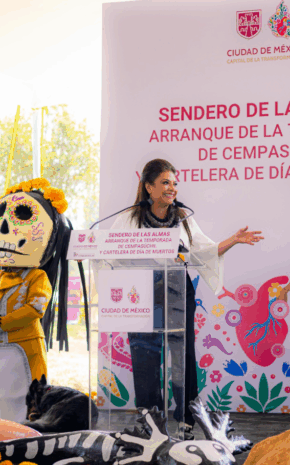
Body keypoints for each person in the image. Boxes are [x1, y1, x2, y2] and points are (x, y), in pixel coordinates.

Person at [109, 158, 263, 438]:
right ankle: (150, 420)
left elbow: (203, 251)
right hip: (141, 293)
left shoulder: (182, 218)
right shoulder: (129, 218)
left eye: (174, 183)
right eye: (165, 182)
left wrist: (233, 240)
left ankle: (186, 418)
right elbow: (113, 255)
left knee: (182, 355)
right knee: (145, 355)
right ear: (149, 187)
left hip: (178, 291)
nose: (172, 188)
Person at [0, 178, 75, 423]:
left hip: (24, 348)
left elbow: (35, 308)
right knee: (1, 394)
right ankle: (1, 430)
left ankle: (27, 434)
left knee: (28, 396)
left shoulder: (36, 276)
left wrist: (4, 321)